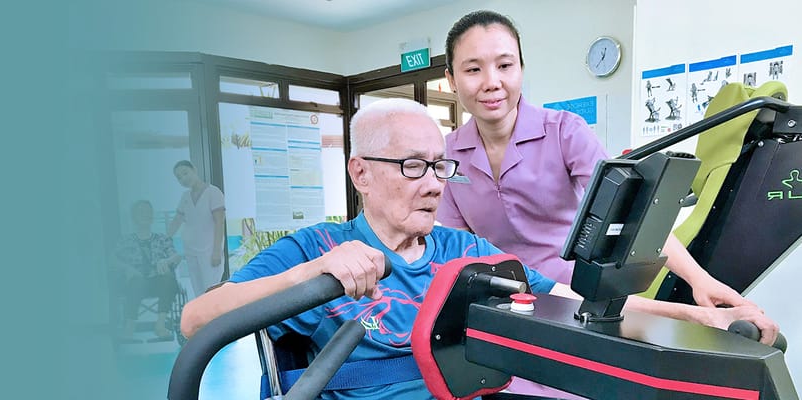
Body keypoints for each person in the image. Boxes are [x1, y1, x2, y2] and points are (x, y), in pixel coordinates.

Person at [180, 98, 777, 400]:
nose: (433, 184)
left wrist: (703, 318)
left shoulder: (464, 251)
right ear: (361, 173)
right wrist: (313, 273)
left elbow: (573, 302)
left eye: (439, 166)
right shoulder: (316, 246)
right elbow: (196, 322)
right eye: (412, 166)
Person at [435, 10, 774, 398]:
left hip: (576, 300)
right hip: (500, 307)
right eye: (473, 69)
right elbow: (457, 251)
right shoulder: (446, 155)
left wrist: (700, 282)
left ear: (521, 69)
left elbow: (635, 216)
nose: (492, 82)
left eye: (504, 65)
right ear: (451, 79)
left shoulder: (563, 131)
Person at [114, 200, 182, 341]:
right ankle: (129, 327)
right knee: (136, 281)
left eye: (148, 212)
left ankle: (160, 325)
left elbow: (176, 257)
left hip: (158, 282)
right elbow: (112, 260)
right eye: (141, 212)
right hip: (135, 283)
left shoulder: (162, 239)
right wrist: (127, 268)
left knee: (168, 279)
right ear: (134, 217)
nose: (146, 215)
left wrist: (166, 261)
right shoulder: (126, 241)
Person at [167, 160, 226, 296]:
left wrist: (217, 251)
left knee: (211, 291)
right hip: (190, 251)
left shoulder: (213, 192)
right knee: (198, 292)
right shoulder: (185, 197)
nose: (183, 179)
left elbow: (219, 222)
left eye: (185, 173)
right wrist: (164, 238)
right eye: (179, 177)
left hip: (209, 252)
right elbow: (177, 220)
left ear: (194, 169)